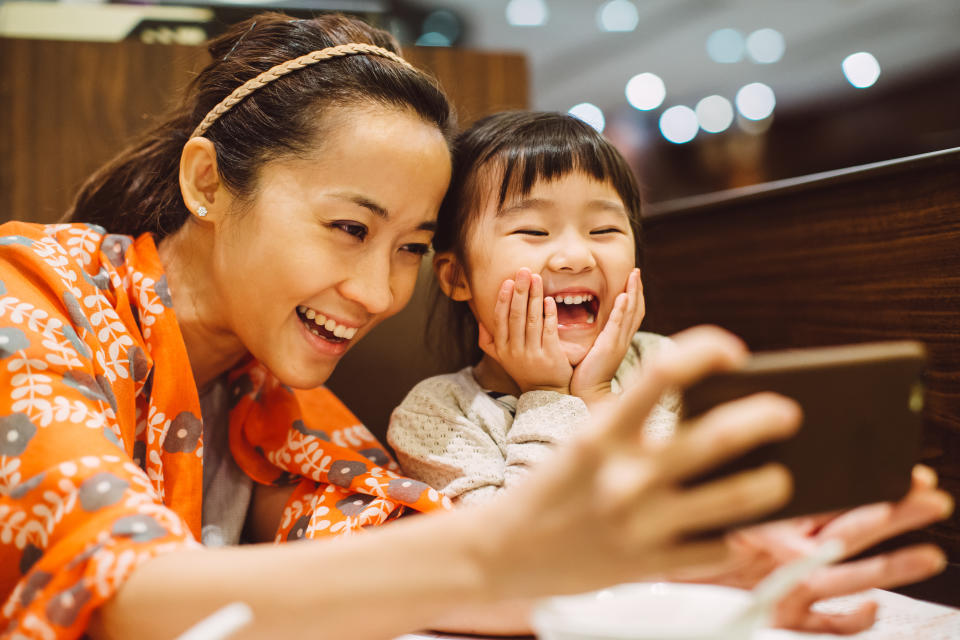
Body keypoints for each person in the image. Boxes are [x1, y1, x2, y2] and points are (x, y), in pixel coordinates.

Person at [0, 12, 950, 640]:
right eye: (348, 228)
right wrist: (509, 548)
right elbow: (119, 590)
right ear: (209, 184)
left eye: (410, 247)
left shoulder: (272, 397)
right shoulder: (28, 298)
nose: (378, 293)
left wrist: (712, 571)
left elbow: (394, 555)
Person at [388, 111, 677, 505]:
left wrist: (597, 393)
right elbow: (517, 544)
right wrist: (548, 395)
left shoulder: (663, 365)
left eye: (603, 230)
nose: (576, 257)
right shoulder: (436, 415)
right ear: (458, 276)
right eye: (534, 231)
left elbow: (684, 502)